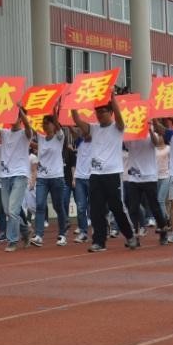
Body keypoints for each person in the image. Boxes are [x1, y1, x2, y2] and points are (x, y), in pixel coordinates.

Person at [72, 97, 137, 252]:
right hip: (95, 175)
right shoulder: (93, 128)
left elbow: (119, 117)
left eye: (103, 111)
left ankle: (130, 236)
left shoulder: (117, 127)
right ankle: (99, 242)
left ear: (110, 112)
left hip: (113, 174)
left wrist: (112, 97)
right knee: (96, 210)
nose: (100, 114)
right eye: (97, 112)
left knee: (117, 207)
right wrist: (72, 103)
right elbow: (77, 120)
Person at [0, 105, 33, 252]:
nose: (12, 118)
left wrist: (20, 110)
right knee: (8, 211)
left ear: (20, 118)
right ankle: (25, 231)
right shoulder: (4, 133)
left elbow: (28, 125)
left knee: (12, 210)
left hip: (20, 175)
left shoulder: (25, 133)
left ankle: (12, 240)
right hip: (5, 176)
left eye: (15, 115)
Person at [125, 122, 171, 247]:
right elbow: (125, 144)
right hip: (134, 177)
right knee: (133, 208)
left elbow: (156, 143)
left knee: (154, 206)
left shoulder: (151, 134)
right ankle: (134, 236)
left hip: (149, 176)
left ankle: (163, 230)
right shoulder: (130, 136)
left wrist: (149, 129)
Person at [31, 115, 69, 247]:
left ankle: (62, 234)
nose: (45, 125)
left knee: (58, 206)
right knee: (40, 205)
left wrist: (54, 114)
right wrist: (20, 112)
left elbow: (58, 127)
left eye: (48, 123)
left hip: (56, 177)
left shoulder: (59, 138)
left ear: (54, 125)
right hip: (42, 178)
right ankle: (39, 235)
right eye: (44, 123)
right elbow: (29, 128)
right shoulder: (41, 139)